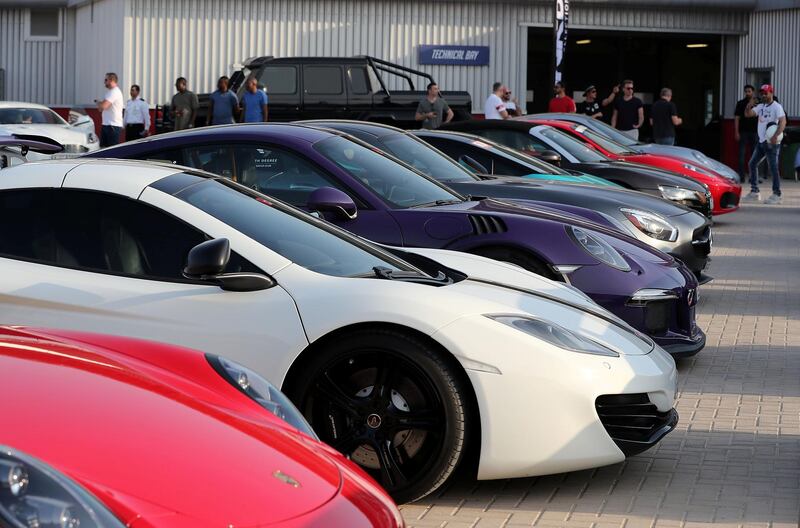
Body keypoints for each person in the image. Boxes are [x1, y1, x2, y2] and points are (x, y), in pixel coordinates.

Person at [743, 84, 787, 204]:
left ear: (771, 93)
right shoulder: (761, 106)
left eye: (765, 93)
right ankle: (754, 192)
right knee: (752, 164)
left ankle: (777, 195)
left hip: (771, 143)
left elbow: (783, 122)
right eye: (761, 93)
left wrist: (776, 135)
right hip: (761, 142)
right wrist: (749, 105)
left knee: (773, 168)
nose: (763, 95)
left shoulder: (777, 107)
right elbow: (748, 114)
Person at [734, 84, 758, 183]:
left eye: (749, 91)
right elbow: (737, 118)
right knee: (741, 155)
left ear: (753, 92)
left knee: (754, 156)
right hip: (743, 132)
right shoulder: (740, 103)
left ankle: (753, 177)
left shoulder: (758, 103)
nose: (748, 93)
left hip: (755, 132)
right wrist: (736, 132)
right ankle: (742, 176)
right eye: (746, 91)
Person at [96, 72, 124, 147]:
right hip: (107, 125)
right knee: (103, 149)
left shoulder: (114, 92)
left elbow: (103, 106)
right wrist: (100, 104)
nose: (104, 82)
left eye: (106, 80)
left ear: (111, 80)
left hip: (112, 126)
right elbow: (101, 109)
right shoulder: (109, 92)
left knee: (111, 152)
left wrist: (99, 103)